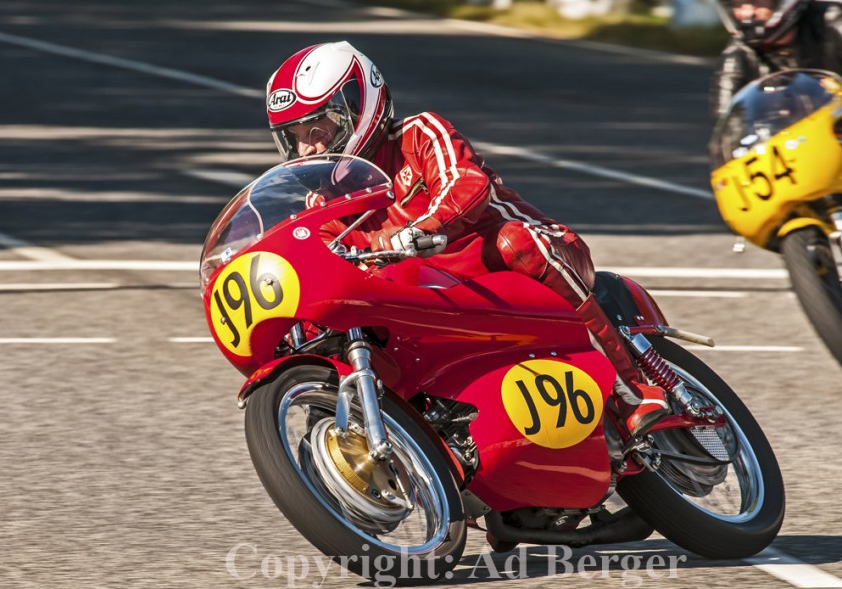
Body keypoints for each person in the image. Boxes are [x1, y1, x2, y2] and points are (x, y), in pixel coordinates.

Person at [265, 41, 668, 437]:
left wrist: (422, 230)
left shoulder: (418, 135)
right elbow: (321, 262)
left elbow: (466, 182)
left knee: (519, 243)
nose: (308, 147)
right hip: (443, 304)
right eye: (294, 136)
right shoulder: (324, 204)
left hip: (521, 260)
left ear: (359, 107)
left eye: (319, 127)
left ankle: (632, 392)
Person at [710, 0, 842, 120]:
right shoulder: (737, 57)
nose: (748, 13)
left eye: (759, 2)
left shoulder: (833, 23)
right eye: (737, 4)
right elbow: (727, 126)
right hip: (794, 142)